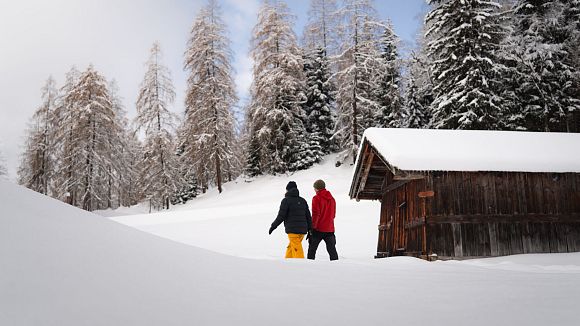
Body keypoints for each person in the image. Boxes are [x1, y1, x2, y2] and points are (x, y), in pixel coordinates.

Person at [269, 181, 312, 259]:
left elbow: (281, 216)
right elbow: (308, 217)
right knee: (292, 247)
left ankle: (301, 266)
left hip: (293, 231)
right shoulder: (303, 201)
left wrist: (273, 226)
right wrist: (310, 229)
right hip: (302, 231)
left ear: (288, 190)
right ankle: (288, 264)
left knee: (297, 249)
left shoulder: (286, 200)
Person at [307, 179, 338, 261]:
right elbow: (333, 215)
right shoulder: (332, 199)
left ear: (317, 188)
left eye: (314, 188)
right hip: (330, 229)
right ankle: (337, 267)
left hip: (318, 229)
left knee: (312, 250)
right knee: (332, 251)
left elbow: (316, 214)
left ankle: (308, 267)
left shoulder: (316, 198)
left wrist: (312, 228)